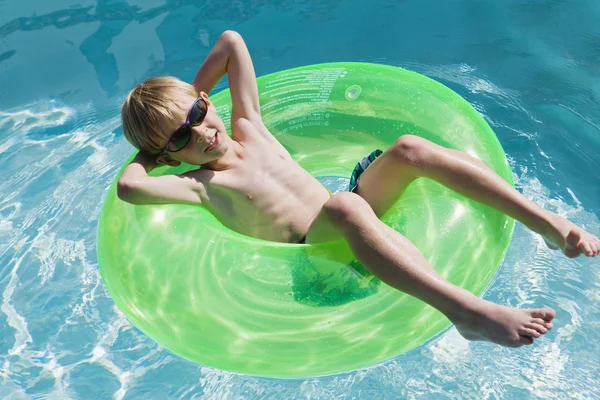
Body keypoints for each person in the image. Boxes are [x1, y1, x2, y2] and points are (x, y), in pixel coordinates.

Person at [118, 30, 599, 348]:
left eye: (200, 116)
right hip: (318, 268)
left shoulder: (248, 126)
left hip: (348, 217)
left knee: (409, 149)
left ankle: (547, 223)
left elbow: (231, 42)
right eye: (182, 137)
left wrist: (184, 110)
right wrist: (153, 151)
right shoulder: (199, 185)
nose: (201, 134)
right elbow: (128, 187)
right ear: (169, 155)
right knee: (346, 205)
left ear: (207, 102)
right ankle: (466, 312)